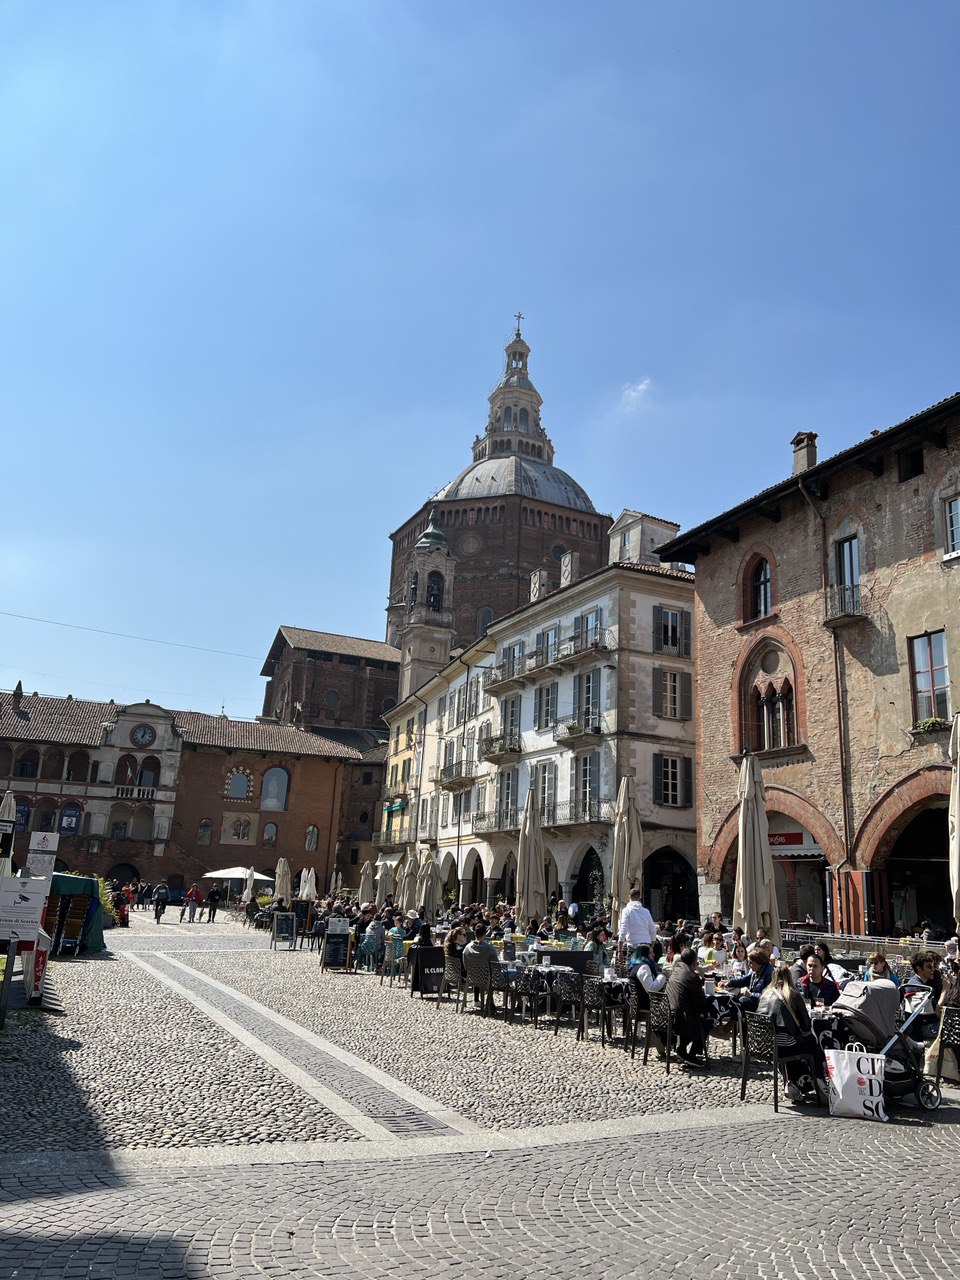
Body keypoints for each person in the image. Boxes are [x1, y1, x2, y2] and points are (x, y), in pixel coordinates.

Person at [757, 965, 828, 1103]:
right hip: (782, 1046)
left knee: (792, 1041)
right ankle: (819, 1080)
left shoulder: (765, 993)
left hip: (763, 1045)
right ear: (790, 977)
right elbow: (806, 1025)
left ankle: (793, 1083)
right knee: (811, 1042)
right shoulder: (792, 994)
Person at [666, 948, 711, 1065]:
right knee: (708, 1019)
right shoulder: (692, 976)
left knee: (694, 1012)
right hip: (680, 1020)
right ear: (694, 962)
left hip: (665, 1014)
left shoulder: (675, 970)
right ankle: (692, 1054)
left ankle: (681, 1049)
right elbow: (701, 1002)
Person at [617, 888, 657, 960]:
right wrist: (652, 946)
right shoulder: (646, 911)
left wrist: (619, 950)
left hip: (633, 944)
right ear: (639, 898)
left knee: (632, 969)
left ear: (629, 897)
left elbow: (623, 929)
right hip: (646, 945)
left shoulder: (626, 910)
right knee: (646, 968)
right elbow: (652, 928)